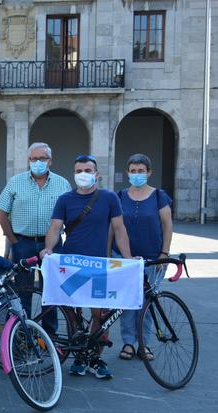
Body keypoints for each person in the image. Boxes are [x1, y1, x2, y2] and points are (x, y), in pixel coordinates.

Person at [40, 155, 133, 380]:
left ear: (96, 174)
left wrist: (128, 259)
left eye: (88, 170)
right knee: (73, 313)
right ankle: (80, 355)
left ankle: (95, 357)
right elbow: (54, 228)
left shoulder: (109, 198)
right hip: (71, 266)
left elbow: (119, 229)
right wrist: (48, 248)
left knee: (100, 315)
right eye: (79, 170)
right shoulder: (65, 199)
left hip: (99, 266)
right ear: (74, 173)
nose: (83, 173)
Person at [0, 142, 71, 334]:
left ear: (50, 161)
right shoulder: (15, 182)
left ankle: (49, 334)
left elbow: (69, 215)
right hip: (23, 243)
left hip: (52, 246)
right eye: (34, 158)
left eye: (43, 158)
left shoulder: (63, 184)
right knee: (22, 291)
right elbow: (2, 213)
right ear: (29, 160)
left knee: (51, 290)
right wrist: (13, 241)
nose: (38, 162)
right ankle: (22, 334)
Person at [109, 154, 172, 362]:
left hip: (152, 258)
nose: (137, 175)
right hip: (124, 259)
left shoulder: (158, 196)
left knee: (147, 303)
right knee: (127, 303)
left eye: (141, 171)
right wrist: (108, 254)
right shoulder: (120, 196)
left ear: (148, 172)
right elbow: (113, 227)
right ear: (128, 173)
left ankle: (144, 343)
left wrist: (164, 254)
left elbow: (167, 226)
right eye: (133, 171)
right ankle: (128, 342)